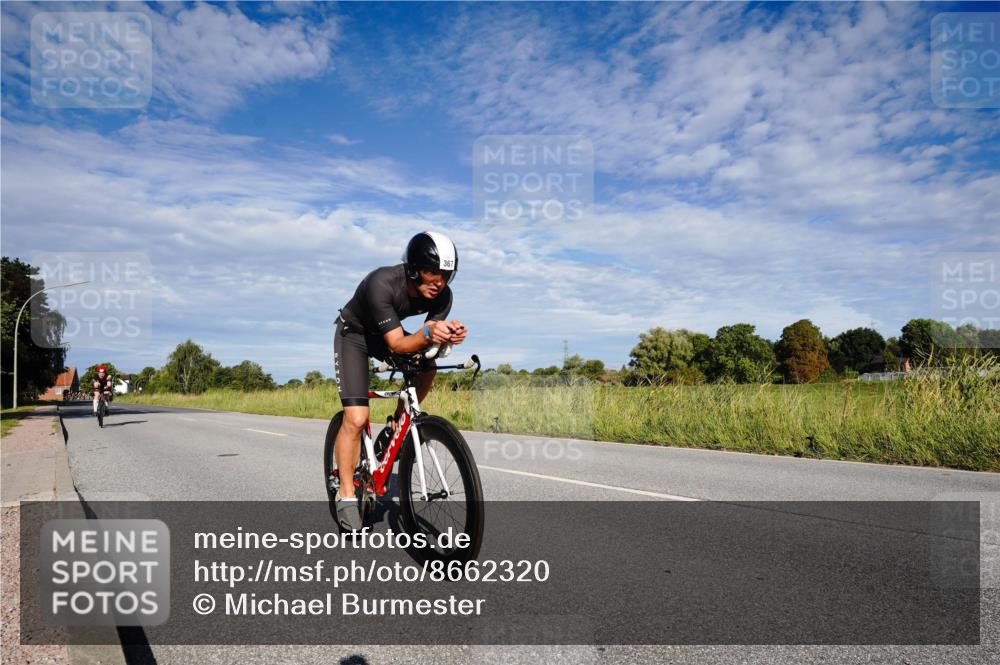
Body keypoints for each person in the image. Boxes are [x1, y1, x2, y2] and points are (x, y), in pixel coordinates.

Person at [333, 231, 468, 531]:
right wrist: (429, 333)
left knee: (428, 367)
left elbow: (427, 337)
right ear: (414, 268)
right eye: (431, 272)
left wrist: (447, 336)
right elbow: (397, 344)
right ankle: (345, 493)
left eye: (446, 275)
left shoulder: (444, 295)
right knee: (356, 418)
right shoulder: (381, 283)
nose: (439, 282)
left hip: (386, 335)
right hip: (354, 336)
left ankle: (397, 422)